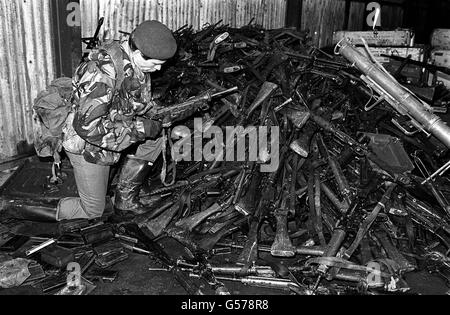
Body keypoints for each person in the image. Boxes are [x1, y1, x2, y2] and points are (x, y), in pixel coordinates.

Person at [11, 20, 178, 222]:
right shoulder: (101, 74)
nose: (159, 70)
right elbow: (88, 128)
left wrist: (157, 115)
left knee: (155, 138)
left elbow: (137, 101)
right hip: (87, 144)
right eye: (155, 64)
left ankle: (124, 199)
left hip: (113, 128)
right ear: (137, 53)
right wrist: (140, 129)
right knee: (92, 211)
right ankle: (15, 207)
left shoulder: (135, 64)